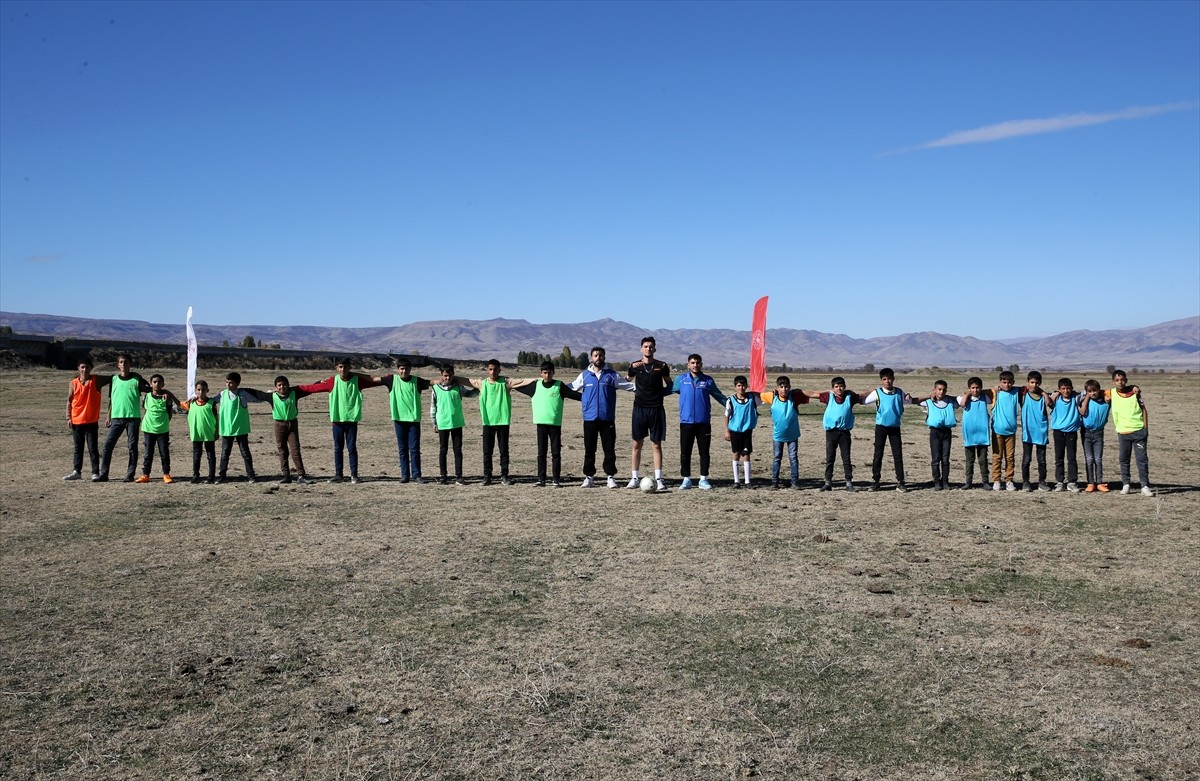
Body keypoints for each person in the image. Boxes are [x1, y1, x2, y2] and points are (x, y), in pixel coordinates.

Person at [302, 358, 383, 483]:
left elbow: (375, 381)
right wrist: (294, 390)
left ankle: (354, 475)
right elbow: (313, 388)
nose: (343, 369)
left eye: (345, 367)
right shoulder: (332, 381)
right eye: (340, 367)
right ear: (336, 368)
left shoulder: (357, 381)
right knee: (338, 448)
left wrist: (391, 379)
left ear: (350, 367)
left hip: (351, 421)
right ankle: (338, 475)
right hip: (337, 421)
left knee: (351, 448)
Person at [568, 347, 634, 488]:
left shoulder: (611, 375)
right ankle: (589, 477)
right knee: (589, 449)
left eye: (601, 355)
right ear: (591, 358)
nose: (598, 357)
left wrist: (648, 388)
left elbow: (628, 386)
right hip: (590, 418)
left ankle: (610, 477)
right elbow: (571, 388)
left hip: (607, 418)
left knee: (609, 449)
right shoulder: (585, 375)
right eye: (596, 355)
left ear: (604, 357)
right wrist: (554, 386)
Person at [515, 361, 583, 486]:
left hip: (555, 424)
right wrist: (508, 383)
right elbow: (518, 386)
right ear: (541, 373)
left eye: (549, 372)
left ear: (553, 372)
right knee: (541, 452)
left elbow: (573, 395)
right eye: (545, 373)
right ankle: (541, 479)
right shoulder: (535, 386)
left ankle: (556, 479)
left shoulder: (559, 385)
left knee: (556, 453)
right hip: (541, 424)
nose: (547, 375)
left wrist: (589, 397)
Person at [464, 359, 530, 486]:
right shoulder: (482, 384)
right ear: (487, 370)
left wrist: (538, 379)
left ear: (500, 370)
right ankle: (487, 476)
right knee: (487, 451)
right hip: (488, 422)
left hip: (502, 422)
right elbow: (466, 381)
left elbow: (522, 381)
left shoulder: (505, 383)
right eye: (490, 369)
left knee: (504, 451)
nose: (493, 372)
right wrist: (451, 377)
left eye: (495, 369)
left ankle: (504, 476)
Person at [670, 354, 727, 490]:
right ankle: (686, 479)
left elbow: (719, 396)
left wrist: (734, 406)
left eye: (698, 363)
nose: (695, 365)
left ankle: (703, 479)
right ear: (688, 365)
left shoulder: (707, 381)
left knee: (704, 452)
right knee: (685, 452)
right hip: (686, 422)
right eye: (693, 363)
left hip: (703, 422)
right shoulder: (681, 380)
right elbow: (668, 390)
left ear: (701, 364)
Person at [626, 337, 672, 491]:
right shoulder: (634, 366)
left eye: (651, 347)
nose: (648, 349)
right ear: (641, 349)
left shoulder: (662, 366)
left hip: (657, 409)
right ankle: (634, 478)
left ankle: (659, 479)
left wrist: (660, 395)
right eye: (645, 346)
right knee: (636, 443)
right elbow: (626, 382)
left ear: (655, 349)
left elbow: (670, 384)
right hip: (639, 409)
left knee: (656, 444)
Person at [97, 353, 152, 482]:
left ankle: (130, 474)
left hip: (132, 418)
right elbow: (112, 399)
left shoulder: (136, 380)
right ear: (118, 365)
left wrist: (142, 379)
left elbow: (150, 390)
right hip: (116, 418)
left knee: (132, 447)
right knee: (108, 445)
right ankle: (103, 474)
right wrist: (108, 415)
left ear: (130, 364)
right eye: (121, 362)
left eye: (126, 362)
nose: (123, 364)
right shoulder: (114, 379)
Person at [379, 358, 432, 483]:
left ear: (410, 369)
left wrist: (448, 379)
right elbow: (372, 379)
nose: (404, 371)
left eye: (407, 369)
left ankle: (417, 475)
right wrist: (353, 375)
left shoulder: (417, 381)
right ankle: (405, 475)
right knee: (402, 449)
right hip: (399, 420)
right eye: (402, 369)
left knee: (414, 449)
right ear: (398, 369)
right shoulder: (392, 380)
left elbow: (432, 382)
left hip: (413, 420)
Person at [860, 368, 911, 492]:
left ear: (893, 379)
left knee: (897, 455)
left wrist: (909, 397)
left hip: (895, 427)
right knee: (878, 454)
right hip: (881, 427)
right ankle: (875, 481)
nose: (887, 381)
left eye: (889, 378)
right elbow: (864, 401)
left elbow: (908, 401)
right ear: (881, 380)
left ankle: (900, 482)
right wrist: (869, 391)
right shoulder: (877, 393)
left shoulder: (899, 392)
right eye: (884, 379)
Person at [213, 371, 269, 483]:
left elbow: (257, 398)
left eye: (231, 383)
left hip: (241, 429)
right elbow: (211, 401)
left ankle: (251, 475)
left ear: (237, 383)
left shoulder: (243, 394)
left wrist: (269, 395)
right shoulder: (223, 394)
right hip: (227, 430)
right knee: (224, 454)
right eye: (227, 382)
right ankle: (222, 476)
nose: (228, 385)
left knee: (245, 453)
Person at [809, 376, 862, 492]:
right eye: (836, 387)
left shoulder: (850, 397)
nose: (839, 389)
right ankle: (828, 482)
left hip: (844, 433)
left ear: (845, 387)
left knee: (846, 458)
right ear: (833, 388)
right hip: (831, 432)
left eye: (841, 386)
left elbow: (863, 396)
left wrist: (877, 390)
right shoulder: (829, 397)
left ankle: (848, 483)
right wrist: (797, 392)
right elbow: (812, 394)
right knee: (830, 458)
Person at [267, 375, 321, 484]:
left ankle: (301, 475)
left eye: (284, 384)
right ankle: (286, 475)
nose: (282, 387)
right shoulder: (271, 396)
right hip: (279, 425)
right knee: (282, 450)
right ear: (276, 387)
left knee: (295, 450)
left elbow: (308, 389)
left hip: (292, 425)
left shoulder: (294, 393)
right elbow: (256, 394)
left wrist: (319, 383)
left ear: (288, 385)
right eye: (279, 385)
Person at [430, 363, 478, 484]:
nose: (447, 378)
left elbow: (469, 394)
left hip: (456, 423)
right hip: (442, 423)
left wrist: (479, 387)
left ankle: (459, 476)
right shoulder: (436, 389)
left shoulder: (458, 387)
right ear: (441, 375)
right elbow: (433, 407)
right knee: (443, 450)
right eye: (445, 375)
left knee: (457, 450)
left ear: (453, 375)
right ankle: (443, 476)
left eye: (450, 375)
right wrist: (433, 423)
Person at [761, 376, 811, 489]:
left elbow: (810, 394)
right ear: (777, 388)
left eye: (786, 387)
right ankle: (774, 482)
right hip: (778, 436)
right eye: (781, 387)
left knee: (793, 458)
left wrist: (797, 391)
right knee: (777, 457)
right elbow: (757, 395)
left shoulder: (794, 398)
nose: (784, 389)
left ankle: (794, 482)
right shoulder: (772, 397)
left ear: (790, 387)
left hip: (792, 436)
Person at [1107, 369, 1152, 496]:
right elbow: (1091, 391)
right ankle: (1126, 484)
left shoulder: (1135, 393)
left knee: (1142, 460)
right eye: (1117, 380)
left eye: (1122, 380)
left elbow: (1144, 410)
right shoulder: (1110, 393)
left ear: (1126, 381)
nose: (1120, 382)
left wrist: (1145, 429)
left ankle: (1145, 486)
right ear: (1113, 382)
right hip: (1123, 432)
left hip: (1139, 431)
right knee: (1124, 459)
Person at [134, 374, 185, 483]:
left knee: (164, 453)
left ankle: (166, 474)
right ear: (151, 383)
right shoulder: (146, 396)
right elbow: (145, 410)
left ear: (163, 384)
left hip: (162, 430)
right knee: (148, 453)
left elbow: (170, 412)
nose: (157, 384)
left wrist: (165, 421)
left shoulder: (167, 398)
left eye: (159, 382)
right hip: (148, 429)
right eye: (154, 382)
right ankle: (145, 475)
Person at [64, 357, 109, 481]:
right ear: (78, 369)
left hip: (91, 421)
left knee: (92, 448)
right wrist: (68, 417)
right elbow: (69, 400)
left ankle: (95, 472)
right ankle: (76, 471)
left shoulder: (96, 380)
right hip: (76, 420)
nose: (84, 369)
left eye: (87, 367)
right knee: (78, 448)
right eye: (82, 367)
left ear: (91, 368)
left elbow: (112, 378)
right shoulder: (73, 383)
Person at [914, 380, 959, 490]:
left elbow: (960, 401)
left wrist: (949, 396)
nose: (941, 392)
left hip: (946, 432)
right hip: (935, 433)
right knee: (935, 458)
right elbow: (915, 400)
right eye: (939, 389)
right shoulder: (929, 402)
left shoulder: (950, 402)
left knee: (945, 458)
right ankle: (936, 481)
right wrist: (929, 396)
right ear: (934, 390)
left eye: (944, 390)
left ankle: (945, 481)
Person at [724, 375, 760, 489]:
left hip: (747, 431)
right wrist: (727, 431)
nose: (741, 388)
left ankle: (747, 481)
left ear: (747, 386)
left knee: (746, 454)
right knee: (736, 454)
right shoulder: (731, 400)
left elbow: (764, 398)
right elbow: (726, 415)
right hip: (735, 431)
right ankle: (736, 481)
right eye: (739, 385)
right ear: (735, 387)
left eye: (743, 385)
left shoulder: (752, 398)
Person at [1048, 378, 1082, 492]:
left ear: (1072, 389)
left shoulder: (1076, 398)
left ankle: (1072, 482)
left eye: (1068, 388)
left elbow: (1089, 392)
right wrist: (1054, 395)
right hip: (1058, 432)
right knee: (1059, 457)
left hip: (1071, 432)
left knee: (1072, 458)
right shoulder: (1056, 399)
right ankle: (1059, 481)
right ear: (1059, 389)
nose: (1066, 391)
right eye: (1063, 389)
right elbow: (1047, 402)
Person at [1019, 371, 1052, 492]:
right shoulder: (1022, 394)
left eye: (1037, 383)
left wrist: (1045, 394)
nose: (1034, 385)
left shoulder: (1045, 397)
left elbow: (1052, 404)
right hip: (1027, 432)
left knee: (1042, 459)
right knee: (1026, 459)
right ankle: (1025, 482)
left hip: (1041, 432)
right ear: (1027, 382)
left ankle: (1042, 482)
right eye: (1032, 382)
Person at [956, 377, 991, 490]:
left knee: (983, 459)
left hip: (982, 434)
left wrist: (984, 391)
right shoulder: (963, 398)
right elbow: (962, 404)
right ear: (969, 388)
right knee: (969, 460)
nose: (975, 390)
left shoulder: (985, 398)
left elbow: (994, 392)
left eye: (977, 388)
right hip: (969, 434)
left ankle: (985, 481)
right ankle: (968, 481)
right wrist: (967, 394)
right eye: (972, 388)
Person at [1078, 379, 1111, 493]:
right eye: (1090, 391)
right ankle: (1091, 482)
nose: (1093, 393)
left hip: (1099, 433)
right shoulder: (1083, 400)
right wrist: (1087, 397)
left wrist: (1104, 393)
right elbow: (1082, 412)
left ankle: (1100, 482)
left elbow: (1112, 392)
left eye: (1095, 391)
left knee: (1098, 459)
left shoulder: (1106, 400)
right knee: (1089, 458)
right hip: (1086, 432)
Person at [990, 371, 1020, 491]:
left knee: (1010, 457)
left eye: (1009, 382)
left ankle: (1009, 480)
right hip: (997, 431)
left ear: (1013, 382)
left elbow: (1031, 388)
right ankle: (996, 480)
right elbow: (977, 392)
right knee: (997, 457)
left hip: (1011, 432)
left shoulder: (1017, 392)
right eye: (1004, 382)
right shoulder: (995, 393)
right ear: (1000, 382)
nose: (1007, 385)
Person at [186, 380, 219, 484]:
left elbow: (216, 418)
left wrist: (216, 431)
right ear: (195, 391)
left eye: (203, 389)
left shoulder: (211, 403)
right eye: (198, 390)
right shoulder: (191, 403)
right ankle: (196, 475)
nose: (201, 392)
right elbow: (179, 405)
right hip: (196, 434)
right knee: (196, 455)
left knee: (210, 455)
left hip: (209, 433)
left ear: (207, 390)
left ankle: (211, 476)